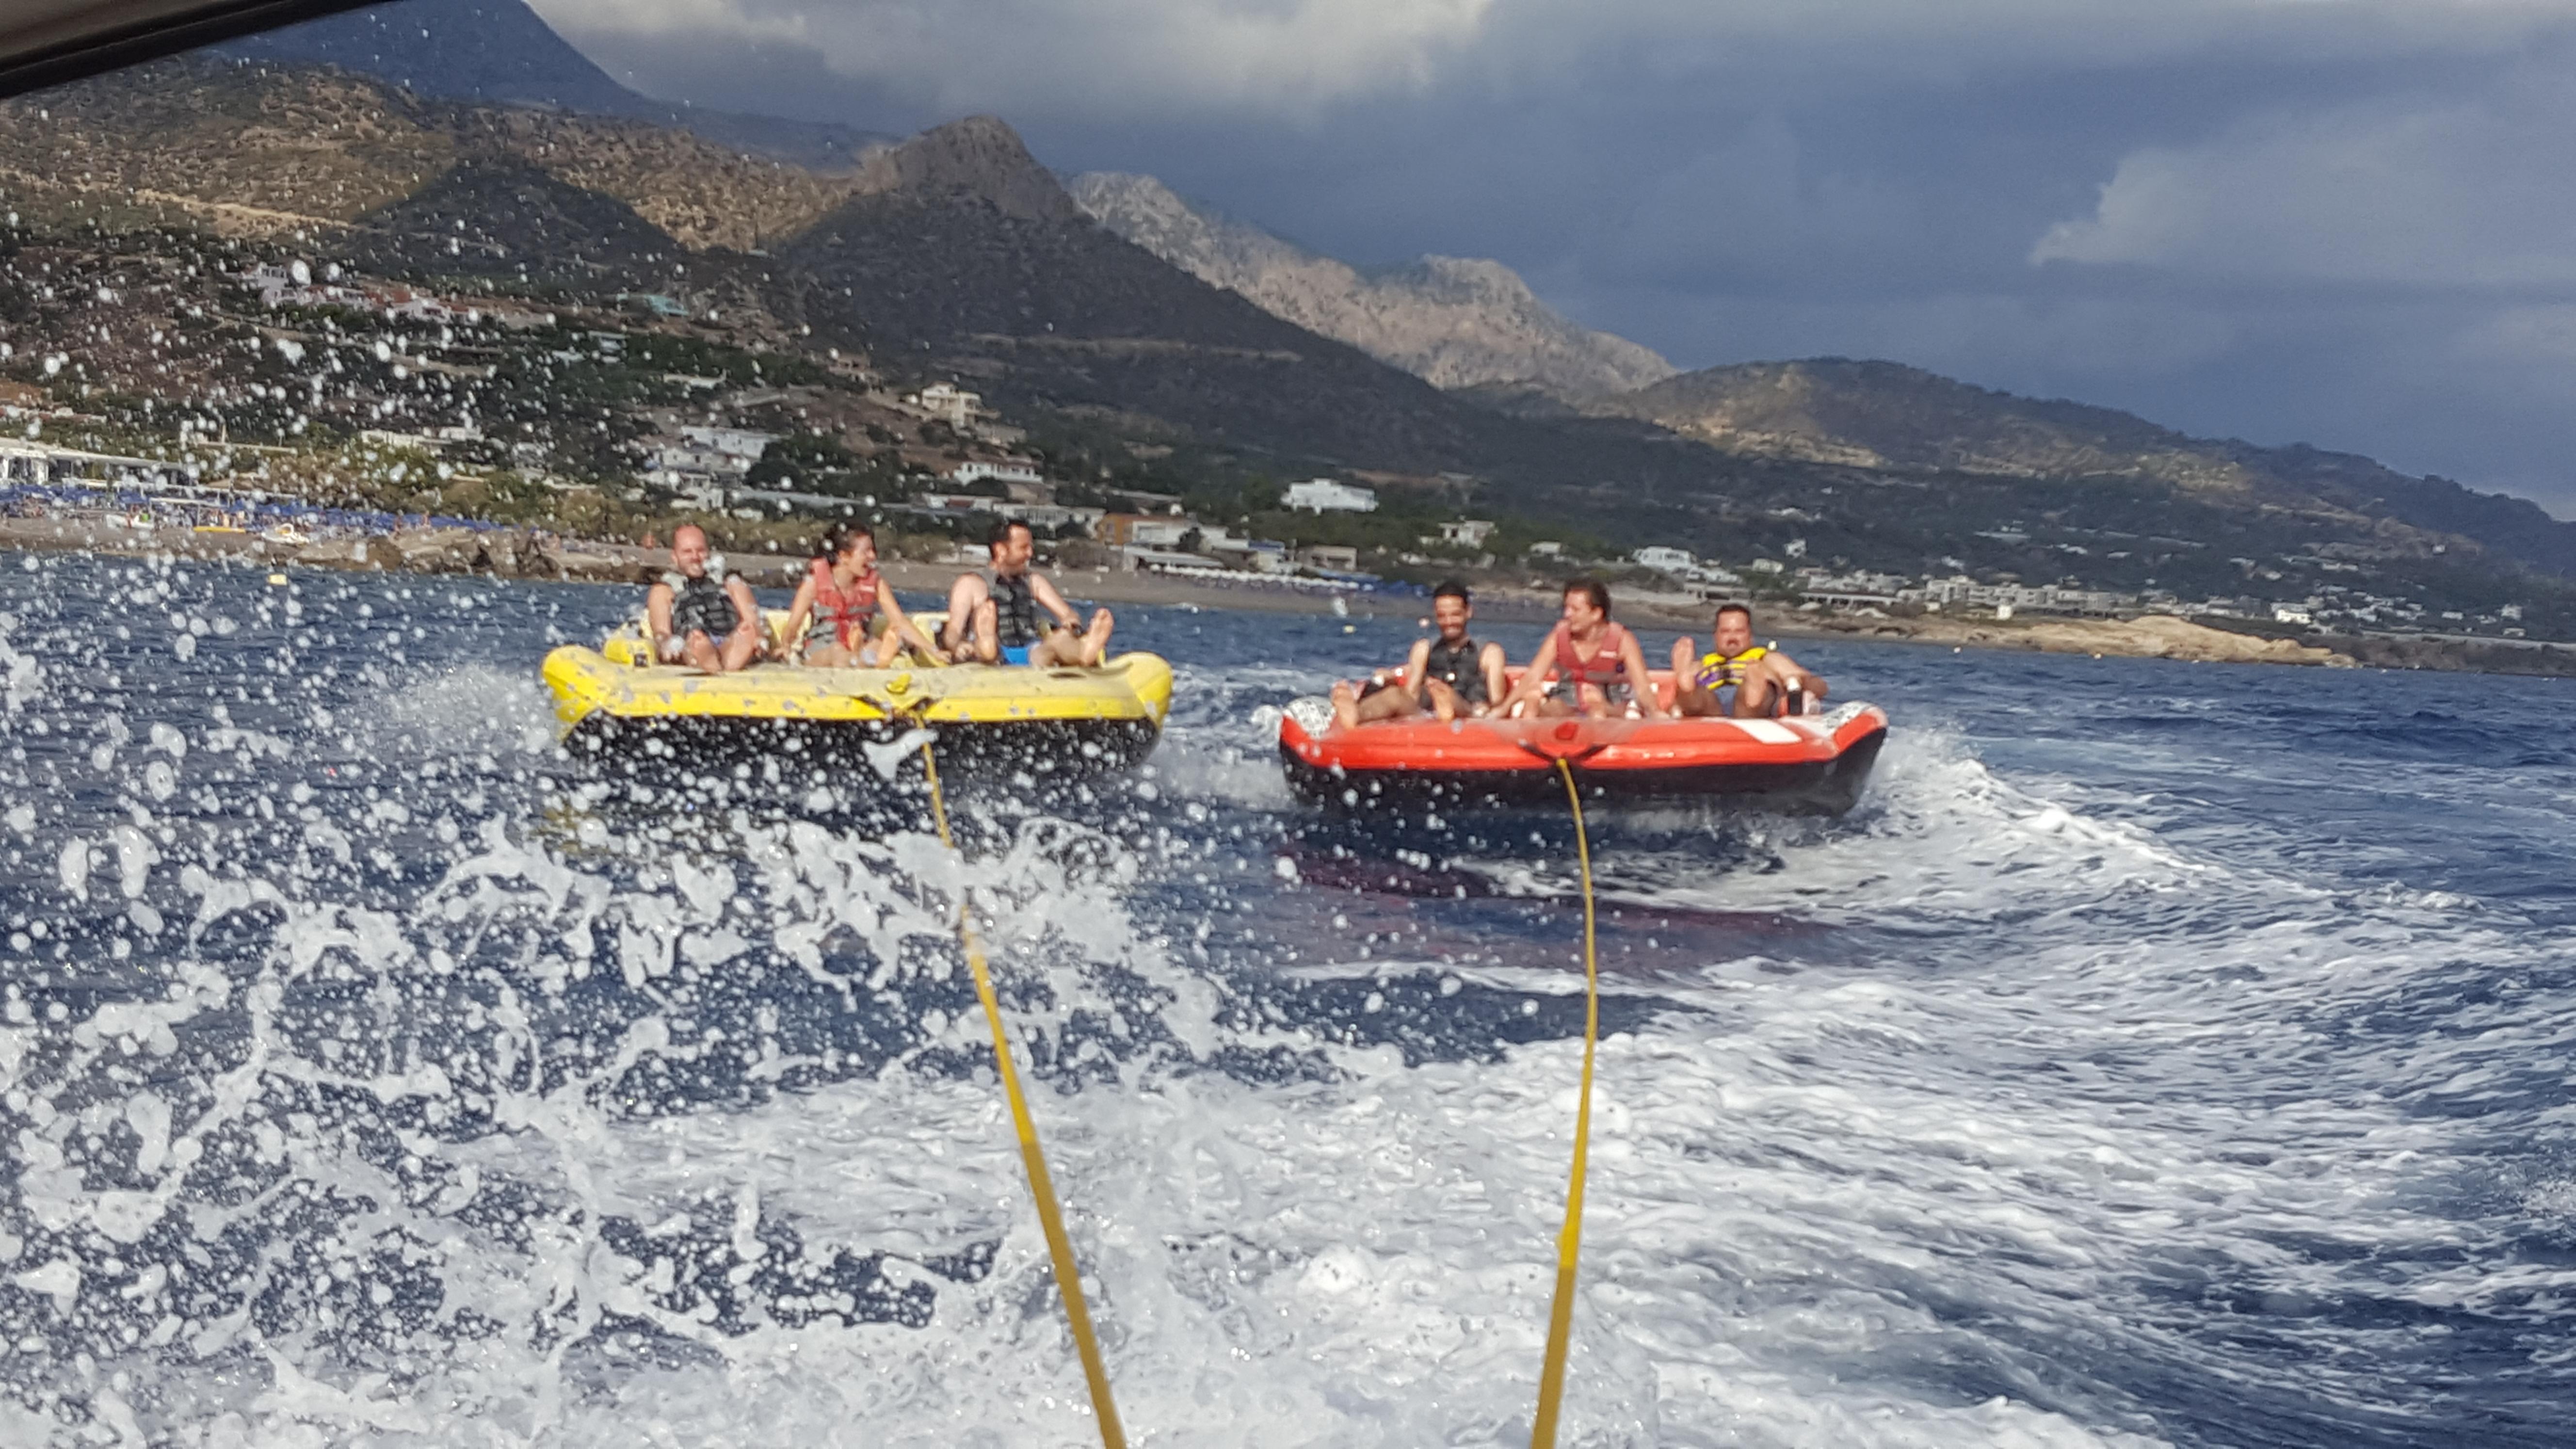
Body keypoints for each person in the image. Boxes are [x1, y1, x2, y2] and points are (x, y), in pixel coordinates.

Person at [1332, 579, 1509, 728]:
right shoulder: (1424, 648)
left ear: (1468, 612)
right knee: (1395, 694)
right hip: (1426, 714)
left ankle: (1447, 704)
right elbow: (1412, 693)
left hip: (1470, 713)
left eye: (1455, 615)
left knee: (1456, 699)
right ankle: (1357, 714)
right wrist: (1391, 683)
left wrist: (1483, 710)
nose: (1448, 622)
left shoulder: (1489, 652)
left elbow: (1497, 700)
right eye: (1442, 616)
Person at [943, 518, 1114, 666]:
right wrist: (958, 647)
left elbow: (1068, 614)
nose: (1030, 554)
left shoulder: (1034, 582)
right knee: (985, 646)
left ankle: (1084, 651)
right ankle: (986, 639)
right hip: (991, 651)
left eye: (1030, 547)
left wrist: (1071, 628)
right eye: (1023, 548)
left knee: (1057, 641)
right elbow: (953, 631)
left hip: (1030, 651)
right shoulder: (971, 584)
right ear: (1001, 550)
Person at [780, 522, 946, 668]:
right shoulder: (813, 584)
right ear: (844, 556)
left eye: (873, 550)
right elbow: (793, 626)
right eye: (866, 551)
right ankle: (869, 660)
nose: (873, 556)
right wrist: (785, 647)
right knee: (838, 651)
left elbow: (900, 622)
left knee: (875, 645)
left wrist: (933, 650)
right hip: (821, 649)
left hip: (861, 643)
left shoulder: (877, 584)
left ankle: (865, 656)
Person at [1500, 579, 1666, 720]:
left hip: (1608, 698)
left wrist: (1656, 712)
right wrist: (1503, 708)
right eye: (1566, 608)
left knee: (1597, 712)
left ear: (1596, 614)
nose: (1567, 614)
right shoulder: (1559, 636)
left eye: (1575, 610)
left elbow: (1642, 687)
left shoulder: (1622, 640)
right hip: (1567, 694)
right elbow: (1533, 676)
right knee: (1532, 708)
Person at [1671, 602, 1829, 718]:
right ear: (1716, 636)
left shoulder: (1767, 658)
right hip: (1712, 706)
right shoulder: (1704, 663)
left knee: (1750, 696)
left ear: (1750, 636)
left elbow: (1820, 687)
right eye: (1726, 632)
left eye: (1739, 632)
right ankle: (1686, 685)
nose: (1732, 638)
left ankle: (1753, 689)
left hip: (1750, 709)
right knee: (1697, 696)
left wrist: (1798, 681)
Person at [645, 523, 762, 672]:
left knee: (747, 632)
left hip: (729, 639)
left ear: (708, 553)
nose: (695, 557)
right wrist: (667, 646)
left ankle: (723, 659)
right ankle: (713, 660)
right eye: (687, 552)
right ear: (675, 557)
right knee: (695, 642)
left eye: (700, 551)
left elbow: (752, 619)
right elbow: (661, 632)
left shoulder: (731, 583)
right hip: (691, 644)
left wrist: (757, 636)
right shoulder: (664, 590)